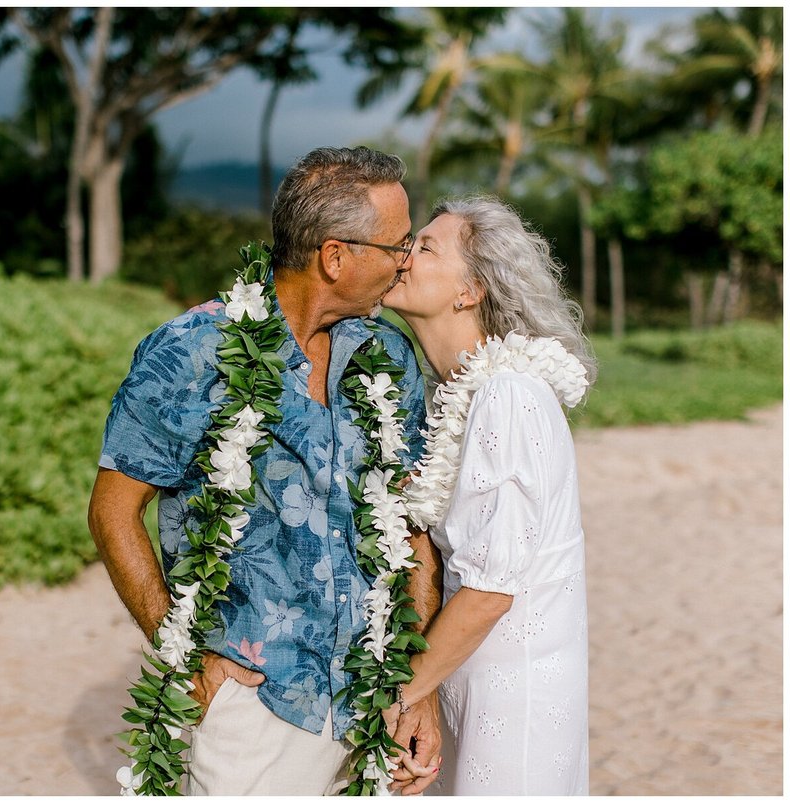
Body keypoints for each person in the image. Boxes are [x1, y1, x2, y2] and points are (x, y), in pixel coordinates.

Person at [88, 146, 442, 795]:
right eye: (397, 245)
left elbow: (413, 527)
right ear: (335, 257)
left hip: (374, 706)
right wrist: (181, 648)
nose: (406, 260)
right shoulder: (192, 352)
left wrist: (419, 688)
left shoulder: (388, 354)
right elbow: (113, 510)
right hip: (254, 707)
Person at [381, 195, 596, 795]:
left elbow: (489, 592)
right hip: (468, 677)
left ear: (469, 291)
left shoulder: (508, 396)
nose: (403, 254)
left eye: (424, 247)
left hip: (515, 699)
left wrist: (397, 700)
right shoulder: (459, 395)